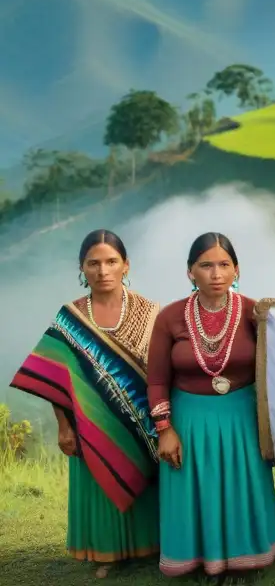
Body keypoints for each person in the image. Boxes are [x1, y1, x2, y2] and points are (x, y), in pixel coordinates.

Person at [10, 229, 160, 579]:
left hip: (143, 425)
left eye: (111, 262)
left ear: (126, 265)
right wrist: (64, 427)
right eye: (93, 263)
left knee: (147, 487)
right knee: (101, 490)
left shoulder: (150, 312)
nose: (103, 270)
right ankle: (105, 553)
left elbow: (162, 372)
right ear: (82, 268)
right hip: (89, 427)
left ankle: (149, 547)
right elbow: (53, 377)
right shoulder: (70, 318)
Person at [147, 232, 275, 579]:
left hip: (242, 418)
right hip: (190, 419)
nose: (216, 274)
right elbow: (156, 380)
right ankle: (200, 558)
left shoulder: (256, 313)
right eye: (206, 265)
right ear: (190, 272)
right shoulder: (170, 317)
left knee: (242, 486)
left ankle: (246, 557)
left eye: (224, 265)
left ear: (236, 270)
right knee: (196, 489)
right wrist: (165, 430)